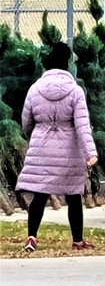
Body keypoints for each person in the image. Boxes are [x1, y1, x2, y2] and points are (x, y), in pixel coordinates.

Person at [16, 42, 99, 252]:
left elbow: (26, 121)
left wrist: (33, 136)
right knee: (73, 196)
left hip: (41, 145)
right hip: (68, 149)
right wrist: (90, 153)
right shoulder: (76, 91)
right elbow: (82, 124)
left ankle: (31, 237)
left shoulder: (35, 89)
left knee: (39, 194)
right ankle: (77, 240)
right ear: (67, 65)